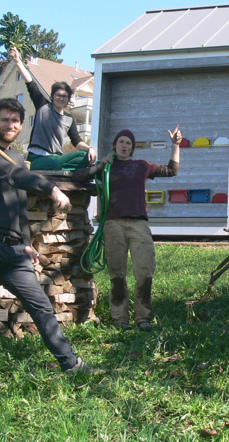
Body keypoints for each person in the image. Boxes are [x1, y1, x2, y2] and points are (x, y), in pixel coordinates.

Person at [0, 98, 100, 388]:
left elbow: (19, 204)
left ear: (21, 126)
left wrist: (25, 242)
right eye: (4, 119)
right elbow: (13, 176)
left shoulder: (15, 158)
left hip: (13, 249)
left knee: (40, 306)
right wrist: (50, 187)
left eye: (15, 120)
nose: (10, 124)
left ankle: (71, 364)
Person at [71, 127, 181, 331]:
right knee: (117, 274)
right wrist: (98, 166)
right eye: (121, 142)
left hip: (139, 223)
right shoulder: (106, 166)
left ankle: (143, 318)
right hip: (113, 224)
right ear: (114, 145)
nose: (124, 145)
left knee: (145, 272)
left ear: (132, 148)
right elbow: (77, 177)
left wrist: (175, 145)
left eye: (128, 143)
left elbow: (171, 170)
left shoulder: (142, 166)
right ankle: (120, 319)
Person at [10, 47, 97, 171]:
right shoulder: (42, 106)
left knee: (87, 158)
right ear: (52, 96)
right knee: (54, 166)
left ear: (68, 99)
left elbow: (77, 141)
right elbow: (31, 84)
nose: (61, 98)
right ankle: (63, 170)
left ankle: (64, 169)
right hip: (38, 157)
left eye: (64, 96)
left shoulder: (68, 119)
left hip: (57, 157)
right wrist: (18, 62)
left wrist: (90, 149)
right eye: (58, 95)